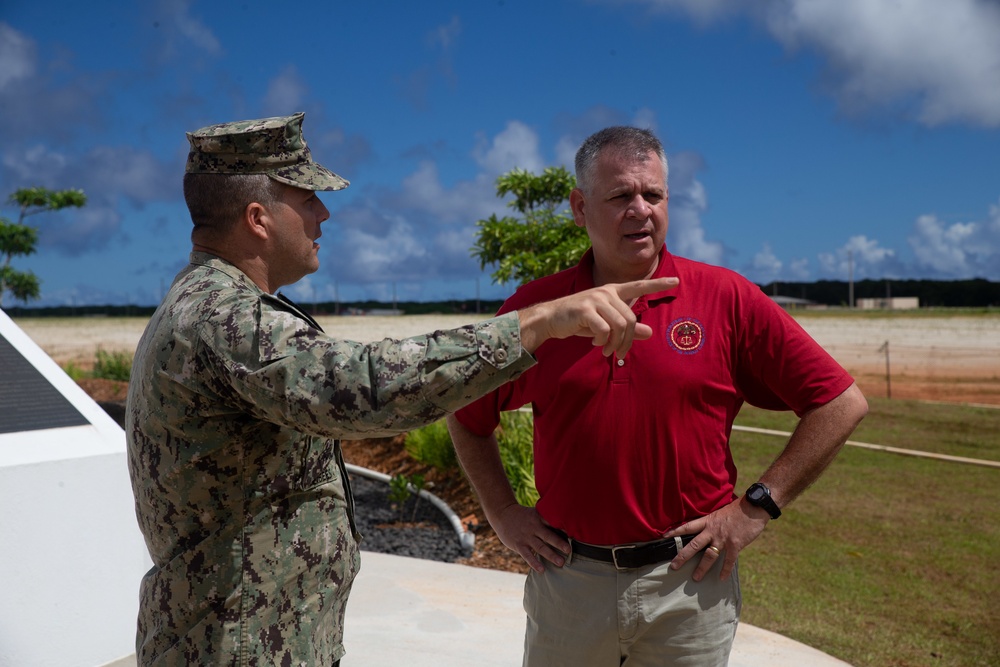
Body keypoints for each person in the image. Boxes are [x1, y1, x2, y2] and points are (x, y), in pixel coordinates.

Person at [125, 113, 676, 667]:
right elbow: (367, 389)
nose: (323, 212)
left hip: (250, 634)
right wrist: (537, 324)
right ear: (258, 218)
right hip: (235, 646)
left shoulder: (209, 305)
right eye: (307, 197)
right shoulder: (224, 319)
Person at [447, 126, 869, 666]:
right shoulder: (538, 309)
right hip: (569, 586)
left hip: (690, 586)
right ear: (580, 207)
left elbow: (840, 402)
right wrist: (502, 511)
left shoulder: (726, 297)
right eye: (621, 195)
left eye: (654, 195)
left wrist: (756, 507)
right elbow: (466, 411)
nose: (641, 210)